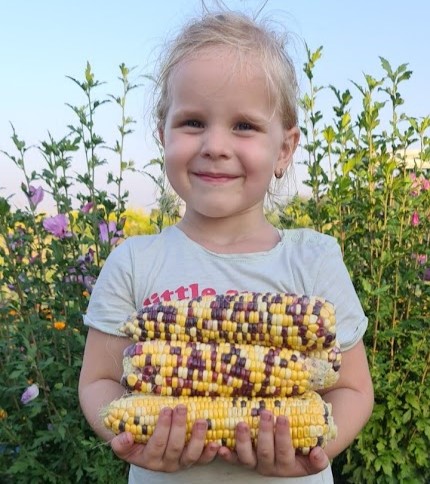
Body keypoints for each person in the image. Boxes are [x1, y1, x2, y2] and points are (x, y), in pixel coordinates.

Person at [78, 9, 374, 484]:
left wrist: (315, 446)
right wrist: (131, 434)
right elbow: (98, 381)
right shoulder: (134, 262)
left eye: (244, 126)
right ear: (163, 136)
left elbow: (354, 388)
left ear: (284, 149)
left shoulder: (314, 260)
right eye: (193, 122)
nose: (215, 145)